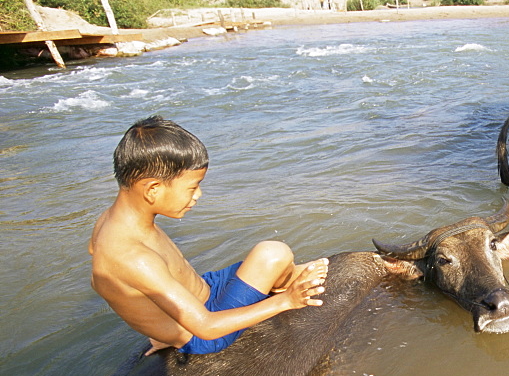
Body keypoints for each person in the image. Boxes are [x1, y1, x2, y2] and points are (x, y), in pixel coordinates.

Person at [89, 115, 329, 356]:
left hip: (204, 288)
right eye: (193, 187)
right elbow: (206, 327)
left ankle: (286, 278)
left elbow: (104, 282)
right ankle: (284, 286)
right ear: (153, 189)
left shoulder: (109, 222)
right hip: (205, 328)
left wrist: (153, 321)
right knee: (274, 254)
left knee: (272, 257)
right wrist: (286, 302)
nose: (198, 195)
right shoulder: (132, 257)